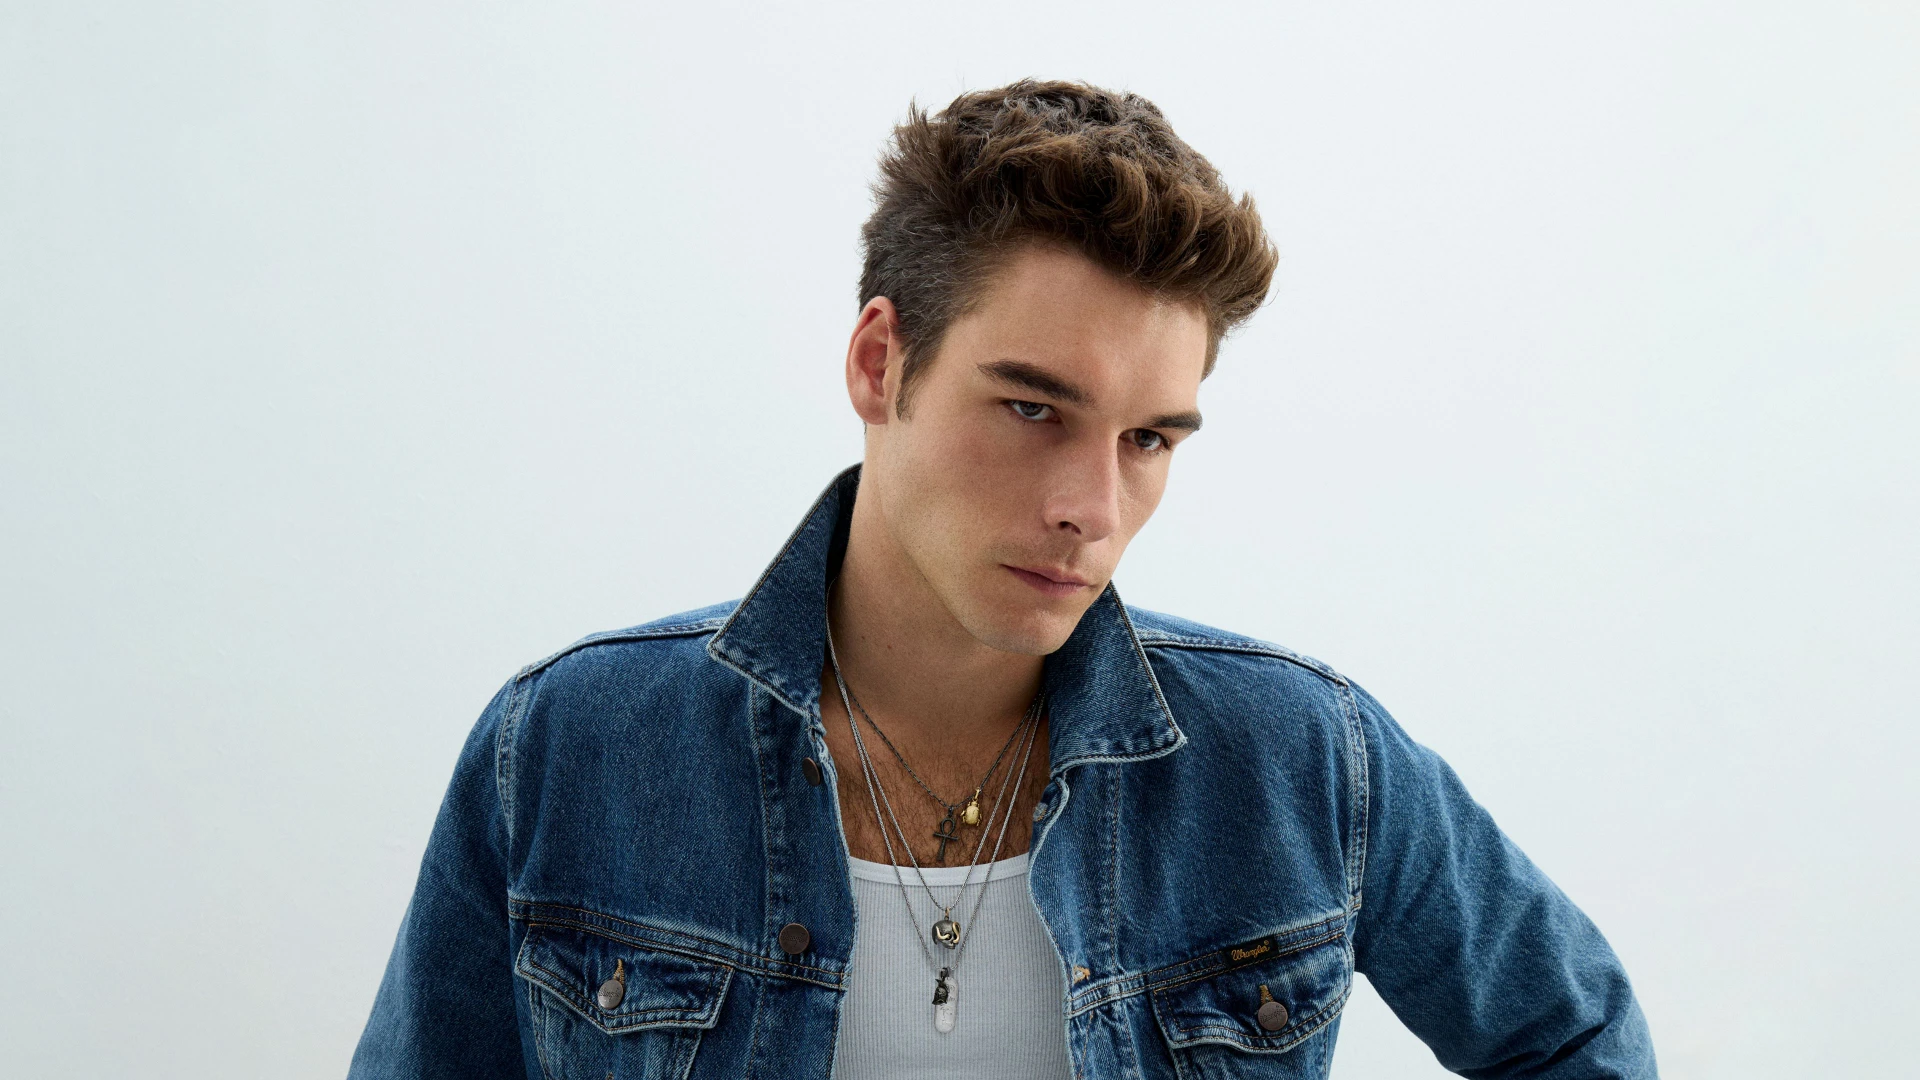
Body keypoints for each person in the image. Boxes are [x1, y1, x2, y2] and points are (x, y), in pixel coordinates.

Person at [348, 79, 1658, 1080]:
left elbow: (1578, 1039)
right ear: (880, 364)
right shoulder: (569, 747)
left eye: (1149, 439)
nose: (1093, 506)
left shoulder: (1306, 759)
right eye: (1034, 409)